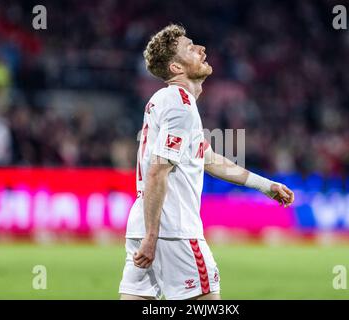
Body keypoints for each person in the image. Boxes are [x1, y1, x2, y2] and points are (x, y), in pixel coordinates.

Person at [119, 24, 295, 300]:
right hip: (173, 231)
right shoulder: (180, 104)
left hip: (143, 225)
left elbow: (209, 159)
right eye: (190, 47)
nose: (201, 49)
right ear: (177, 68)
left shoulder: (165, 100)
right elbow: (157, 171)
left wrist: (265, 185)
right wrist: (153, 236)